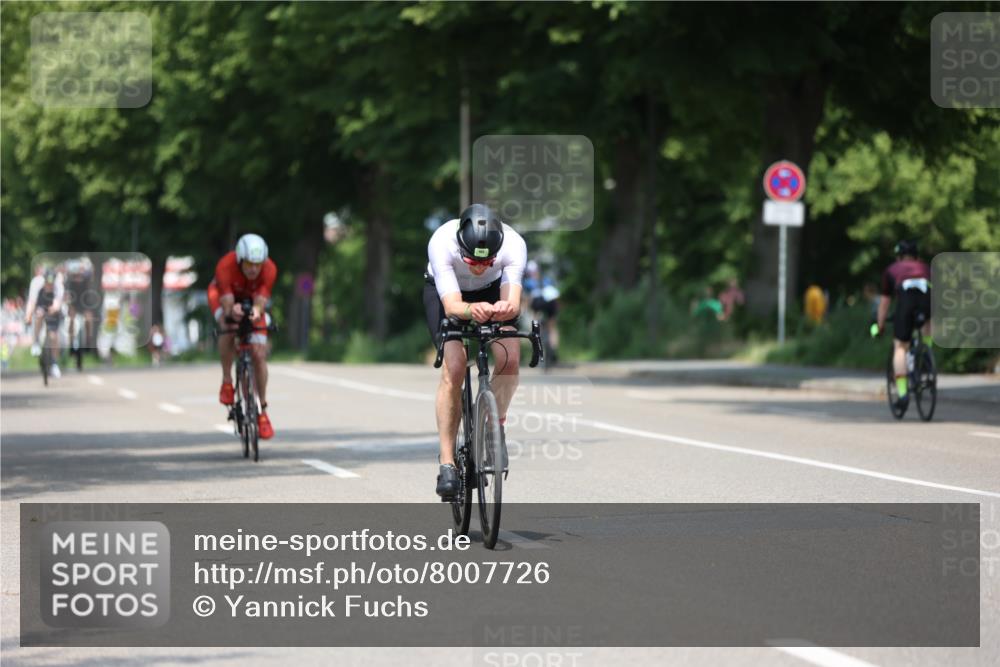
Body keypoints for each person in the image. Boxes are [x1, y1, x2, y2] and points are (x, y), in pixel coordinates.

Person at [424, 204, 527, 497]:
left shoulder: (514, 245)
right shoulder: (442, 242)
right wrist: (471, 309)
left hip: (492, 291)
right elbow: (453, 306)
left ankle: (493, 426)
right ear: (460, 246)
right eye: (472, 260)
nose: (480, 267)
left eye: (488, 261)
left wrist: (505, 308)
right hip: (448, 292)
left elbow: (514, 302)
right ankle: (447, 462)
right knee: (455, 366)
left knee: (510, 358)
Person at [207, 234, 277, 439]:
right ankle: (227, 380)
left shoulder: (269, 269)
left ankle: (262, 411)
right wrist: (231, 311)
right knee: (227, 326)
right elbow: (227, 304)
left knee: (259, 353)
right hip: (224, 296)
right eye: (248, 264)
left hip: (251, 299)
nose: (254, 269)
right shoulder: (225, 266)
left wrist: (256, 311)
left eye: (257, 264)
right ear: (239, 260)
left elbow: (261, 301)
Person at [872, 239, 930, 410]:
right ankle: (927, 351)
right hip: (927, 300)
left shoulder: (891, 270)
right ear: (916, 255)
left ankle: (903, 395)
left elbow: (884, 303)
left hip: (906, 303)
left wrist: (880, 325)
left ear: (899, 256)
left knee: (900, 347)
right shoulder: (926, 268)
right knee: (928, 318)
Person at [24, 268, 65, 378]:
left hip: (53, 306)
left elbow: (57, 304)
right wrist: (27, 316)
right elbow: (32, 302)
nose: (49, 286)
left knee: (54, 335)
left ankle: (55, 363)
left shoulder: (59, 286)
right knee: (38, 315)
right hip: (40, 303)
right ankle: (36, 342)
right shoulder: (36, 283)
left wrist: (53, 309)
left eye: (51, 284)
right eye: (47, 283)